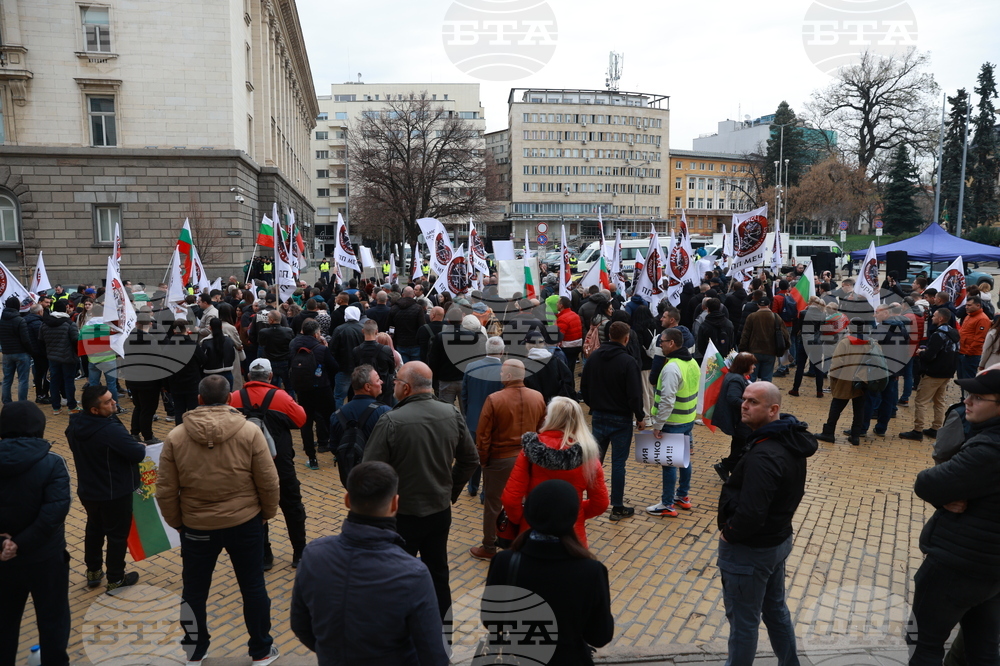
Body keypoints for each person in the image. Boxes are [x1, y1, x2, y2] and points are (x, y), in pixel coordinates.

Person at [155, 375, 281, 666]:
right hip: (245, 522)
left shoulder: (176, 436)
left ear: (199, 400)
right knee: (253, 587)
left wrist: (178, 523)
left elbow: (165, 489)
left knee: (194, 592)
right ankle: (261, 649)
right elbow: (269, 481)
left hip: (197, 527)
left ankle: (195, 651)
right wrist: (266, 514)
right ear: (230, 399)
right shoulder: (250, 432)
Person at [291, 461, 448, 664]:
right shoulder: (413, 574)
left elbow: (300, 624)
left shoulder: (313, 555)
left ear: (347, 500)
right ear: (395, 504)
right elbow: (433, 655)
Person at [363, 361, 479, 618]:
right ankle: (441, 641)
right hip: (439, 511)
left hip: (401, 515)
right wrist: (450, 490)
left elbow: (369, 471)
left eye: (395, 381)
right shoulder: (452, 413)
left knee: (395, 576)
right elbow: (470, 460)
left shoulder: (391, 420)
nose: (392, 384)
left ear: (406, 387)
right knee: (438, 574)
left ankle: (399, 639)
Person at [717, 381, 816, 666]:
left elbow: (751, 513)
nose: (744, 405)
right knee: (775, 609)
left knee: (744, 623)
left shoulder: (765, 454)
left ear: (773, 410)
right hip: (777, 541)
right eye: (744, 399)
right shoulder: (788, 439)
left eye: (753, 402)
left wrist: (729, 534)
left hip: (751, 551)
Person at [906, 369, 1000, 666]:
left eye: (978, 397)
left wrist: (945, 494)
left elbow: (927, 483)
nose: (967, 402)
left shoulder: (989, 449)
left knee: (923, 643)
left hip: (958, 564)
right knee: (982, 648)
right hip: (992, 568)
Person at [482, 480, 614, 666]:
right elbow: (600, 636)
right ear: (572, 517)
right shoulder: (591, 571)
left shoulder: (505, 562)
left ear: (530, 513)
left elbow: (491, 621)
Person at [0, 402, 72, 666]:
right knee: (53, 623)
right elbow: (55, 512)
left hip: (3, 560)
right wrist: (19, 544)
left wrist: (5, 544)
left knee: (4, 625)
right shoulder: (53, 462)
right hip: (45, 559)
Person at [229, 358, 309, 570]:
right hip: (279, 463)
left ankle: (264, 555)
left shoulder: (234, 398)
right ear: (270, 376)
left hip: (246, 465)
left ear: (248, 377)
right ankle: (299, 552)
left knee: (254, 509)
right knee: (292, 506)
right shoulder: (281, 397)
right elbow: (301, 420)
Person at [66, 385, 146, 593]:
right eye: (108, 402)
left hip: (88, 490)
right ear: (95, 410)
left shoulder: (75, 425)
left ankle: (93, 571)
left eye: (112, 398)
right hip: (114, 492)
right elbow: (137, 453)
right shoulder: (109, 430)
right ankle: (116, 579)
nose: (114, 403)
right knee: (117, 535)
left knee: (94, 529)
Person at [501, 397, 608, 548]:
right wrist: (575, 511)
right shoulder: (588, 453)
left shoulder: (530, 450)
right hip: (573, 537)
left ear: (549, 418)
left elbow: (511, 499)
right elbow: (601, 504)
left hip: (532, 532)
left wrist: (525, 518)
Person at [471, 360, 547, 561]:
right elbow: (542, 430)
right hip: (528, 458)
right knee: (525, 502)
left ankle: (489, 546)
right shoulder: (537, 397)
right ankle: (524, 544)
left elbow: (483, 435)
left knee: (493, 504)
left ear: (507, 376)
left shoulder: (495, 399)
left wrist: (484, 460)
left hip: (500, 459)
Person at [581, 321, 646, 521]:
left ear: (608, 335)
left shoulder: (593, 358)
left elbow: (584, 387)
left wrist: (594, 405)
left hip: (599, 416)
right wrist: (639, 416)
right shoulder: (628, 362)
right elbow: (635, 394)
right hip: (621, 419)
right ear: (626, 338)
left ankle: (588, 499)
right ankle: (617, 506)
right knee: (618, 464)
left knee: (594, 461)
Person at [646, 328, 698, 517]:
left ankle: (667, 504)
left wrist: (658, 425)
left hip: (672, 422)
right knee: (684, 459)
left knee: (669, 463)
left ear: (672, 343)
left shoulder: (671, 368)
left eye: (663, 341)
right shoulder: (692, 363)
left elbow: (667, 400)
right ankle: (682, 496)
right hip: (687, 419)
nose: (660, 344)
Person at [900, 309, 960, 441]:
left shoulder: (938, 335)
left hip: (934, 373)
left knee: (921, 401)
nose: (932, 317)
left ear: (940, 319)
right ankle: (936, 428)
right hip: (947, 372)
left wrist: (921, 352)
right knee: (939, 401)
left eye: (935, 316)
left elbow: (930, 356)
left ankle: (917, 430)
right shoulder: (953, 332)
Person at [815, 319, 875, 447]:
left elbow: (837, 362)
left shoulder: (845, 342)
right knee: (859, 409)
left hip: (845, 378)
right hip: (862, 379)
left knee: (837, 405)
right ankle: (855, 436)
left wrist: (833, 379)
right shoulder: (870, 342)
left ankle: (829, 433)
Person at [289, 319, 339, 468]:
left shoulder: (294, 345)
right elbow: (334, 367)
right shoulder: (321, 349)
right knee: (331, 419)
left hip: (303, 390)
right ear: (317, 333)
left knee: (306, 423)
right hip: (322, 388)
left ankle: (312, 458)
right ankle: (337, 453)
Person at [461, 336, 505, 498]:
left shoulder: (471, 367)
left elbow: (464, 395)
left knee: (474, 455)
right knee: (491, 457)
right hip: (495, 422)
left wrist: (469, 413)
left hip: (473, 420)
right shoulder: (504, 371)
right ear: (501, 351)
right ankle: (486, 492)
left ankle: (472, 487)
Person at [712, 352, 756, 482]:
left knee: (738, 445)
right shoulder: (736, 379)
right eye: (751, 364)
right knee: (743, 447)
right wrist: (750, 406)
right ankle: (725, 466)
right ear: (744, 366)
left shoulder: (735, 376)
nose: (754, 367)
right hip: (739, 421)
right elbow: (732, 398)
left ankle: (734, 469)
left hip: (738, 420)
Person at [329, 365, 391, 454]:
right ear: (367, 387)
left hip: (349, 466)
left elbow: (334, 447)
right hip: (375, 465)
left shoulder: (337, 415)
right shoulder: (384, 412)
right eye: (377, 380)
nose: (381, 382)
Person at [39, 299, 81, 415]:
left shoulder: (45, 323)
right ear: (66, 308)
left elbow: (41, 341)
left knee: (54, 381)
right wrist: (76, 353)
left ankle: (56, 407)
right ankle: (72, 405)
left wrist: (48, 352)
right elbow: (75, 340)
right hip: (68, 357)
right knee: (68, 381)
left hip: (52, 357)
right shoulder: (69, 323)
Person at [740, 297, 788, 383]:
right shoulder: (776, 317)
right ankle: (765, 395)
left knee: (751, 377)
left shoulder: (752, 316)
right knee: (767, 378)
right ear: (769, 305)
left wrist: (742, 349)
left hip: (754, 351)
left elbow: (745, 335)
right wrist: (785, 348)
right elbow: (785, 335)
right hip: (770, 352)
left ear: (758, 305)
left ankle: (751, 395)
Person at [330, 306, 364, 409]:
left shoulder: (339, 329)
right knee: (356, 396)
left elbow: (332, 350)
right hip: (359, 368)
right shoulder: (362, 329)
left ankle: (338, 420)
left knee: (339, 397)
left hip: (343, 368)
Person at [0, 295, 32, 404]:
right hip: (21, 353)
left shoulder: (1, 320)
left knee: (7, 380)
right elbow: (25, 340)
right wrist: (31, 351)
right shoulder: (20, 320)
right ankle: (22, 403)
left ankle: (6, 402)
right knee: (23, 380)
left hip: (7, 353)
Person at [958, 296, 990, 394]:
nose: (966, 307)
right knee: (962, 379)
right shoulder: (969, 316)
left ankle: (968, 401)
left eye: (969, 305)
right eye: (966, 305)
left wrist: (967, 353)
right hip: (962, 352)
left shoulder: (982, 319)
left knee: (968, 380)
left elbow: (979, 340)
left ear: (978, 305)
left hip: (970, 355)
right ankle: (963, 400)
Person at [256, 310, 294, 390]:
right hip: (285, 362)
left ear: (271, 320)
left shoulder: (263, 332)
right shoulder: (288, 331)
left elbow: (261, 344)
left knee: (272, 388)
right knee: (289, 387)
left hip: (271, 361)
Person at [387, 287, 427, 363]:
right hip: (415, 344)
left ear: (402, 295)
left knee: (404, 368)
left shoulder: (394, 308)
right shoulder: (418, 308)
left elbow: (390, 327)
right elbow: (422, 327)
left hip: (400, 343)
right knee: (416, 369)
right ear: (413, 295)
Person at [200, 317, 237, 389]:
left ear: (210, 327)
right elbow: (233, 355)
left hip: (210, 374)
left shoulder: (206, 342)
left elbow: (202, 359)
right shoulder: (229, 340)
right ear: (221, 327)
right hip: (227, 373)